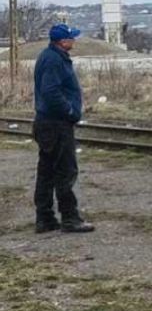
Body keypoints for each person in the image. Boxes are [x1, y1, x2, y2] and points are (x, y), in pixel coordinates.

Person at [32, 24, 94, 234]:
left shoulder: (49, 56)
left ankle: (45, 218)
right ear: (62, 41)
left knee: (47, 171)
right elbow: (50, 91)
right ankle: (70, 218)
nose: (74, 41)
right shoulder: (54, 60)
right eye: (71, 38)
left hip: (47, 123)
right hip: (56, 124)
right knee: (65, 171)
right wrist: (69, 111)